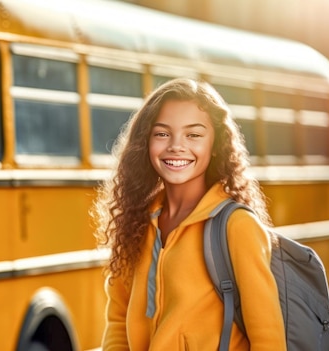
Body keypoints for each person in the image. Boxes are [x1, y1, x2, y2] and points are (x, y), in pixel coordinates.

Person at [92, 78, 286, 350]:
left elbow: (269, 340)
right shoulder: (136, 223)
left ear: (216, 144)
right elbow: (117, 324)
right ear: (145, 142)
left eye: (193, 135)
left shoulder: (237, 226)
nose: (176, 146)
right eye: (162, 134)